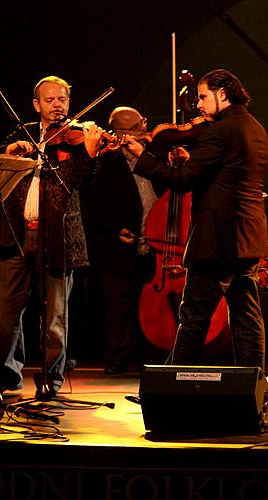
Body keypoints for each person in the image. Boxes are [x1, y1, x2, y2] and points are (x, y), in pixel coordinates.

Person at [123, 68, 268, 369]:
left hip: (217, 240)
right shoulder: (256, 128)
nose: (199, 105)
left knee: (192, 319)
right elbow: (228, 175)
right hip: (249, 236)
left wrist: (142, 156)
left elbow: (181, 181)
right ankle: (254, 389)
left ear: (223, 94)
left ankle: (167, 388)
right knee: (247, 318)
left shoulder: (218, 131)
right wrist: (193, 160)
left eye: (203, 97)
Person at [0, 76, 103, 401]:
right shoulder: (21, 132)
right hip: (15, 231)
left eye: (62, 100)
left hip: (57, 235)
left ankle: (51, 380)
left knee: (55, 317)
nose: (57, 105)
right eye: (50, 100)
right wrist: (8, 151)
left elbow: (85, 179)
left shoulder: (76, 139)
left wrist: (91, 153)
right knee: (7, 315)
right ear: (36, 105)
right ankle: (8, 375)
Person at [81, 106, 161, 374]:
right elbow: (93, 204)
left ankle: (152, 354)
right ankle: (118, 357)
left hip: (155, 245)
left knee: (149, 305)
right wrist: (115, 229)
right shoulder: (105, 162)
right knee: (119, 305)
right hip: (119, 246)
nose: (146, 126)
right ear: (122, 133)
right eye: (140, 125)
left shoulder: (152, 156)